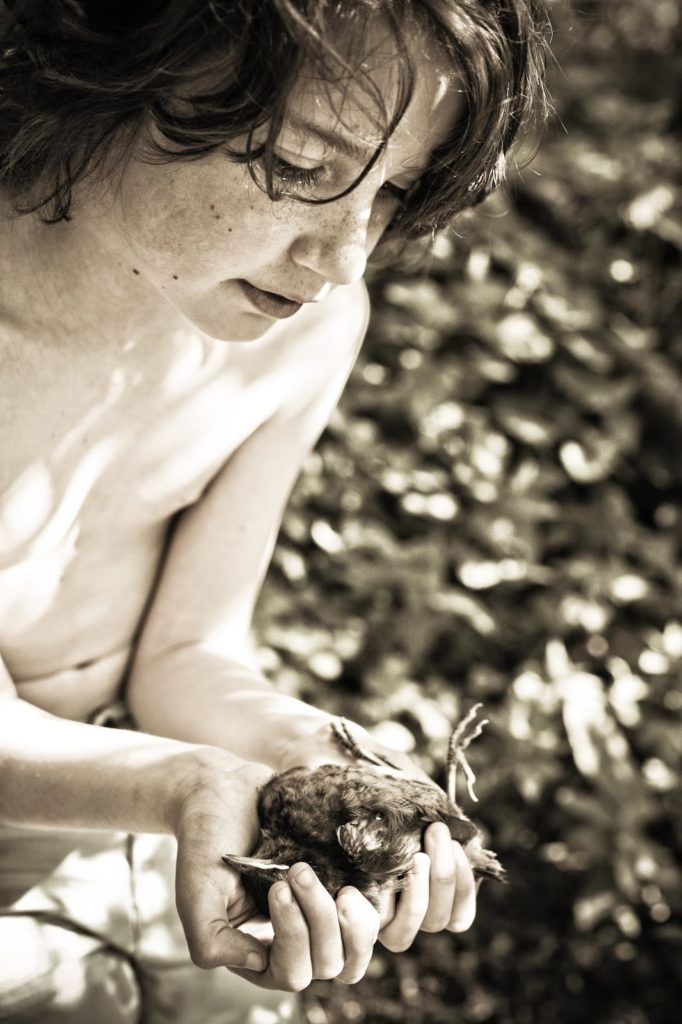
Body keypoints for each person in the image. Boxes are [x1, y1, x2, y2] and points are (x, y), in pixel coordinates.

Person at [0, 1, 548, 1021]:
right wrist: (178, 785)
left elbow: (186, 649)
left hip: (133, 800)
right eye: (301, 165)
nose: (345, 258)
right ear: (115, 66)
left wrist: (325, 770)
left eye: (393, 191)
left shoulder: (301, 331)